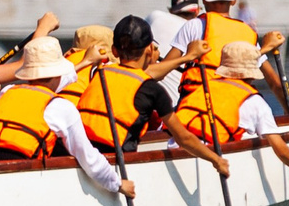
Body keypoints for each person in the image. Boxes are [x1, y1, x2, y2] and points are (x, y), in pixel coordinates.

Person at [0, 37, 133, 203]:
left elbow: (44, 87)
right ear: (58, 73)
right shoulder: (61, 108)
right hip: (22, 175)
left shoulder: (7, 92)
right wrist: (118, 184)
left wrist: (85, 62)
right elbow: (89, 158)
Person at [74, 15, 232, 181]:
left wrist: (187, 57)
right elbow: (183, 138)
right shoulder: (152, 90)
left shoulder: (99, 71)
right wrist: (216, 160)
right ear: (150, 49)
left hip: (81, 156)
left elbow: (138, 74)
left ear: (114, 51)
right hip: (115, 166)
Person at [172, 40, 289, 195]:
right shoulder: (253, 101)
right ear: (251, 74)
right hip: (211, 159)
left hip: (177, 148)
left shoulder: (203, 88)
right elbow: (278, 146)